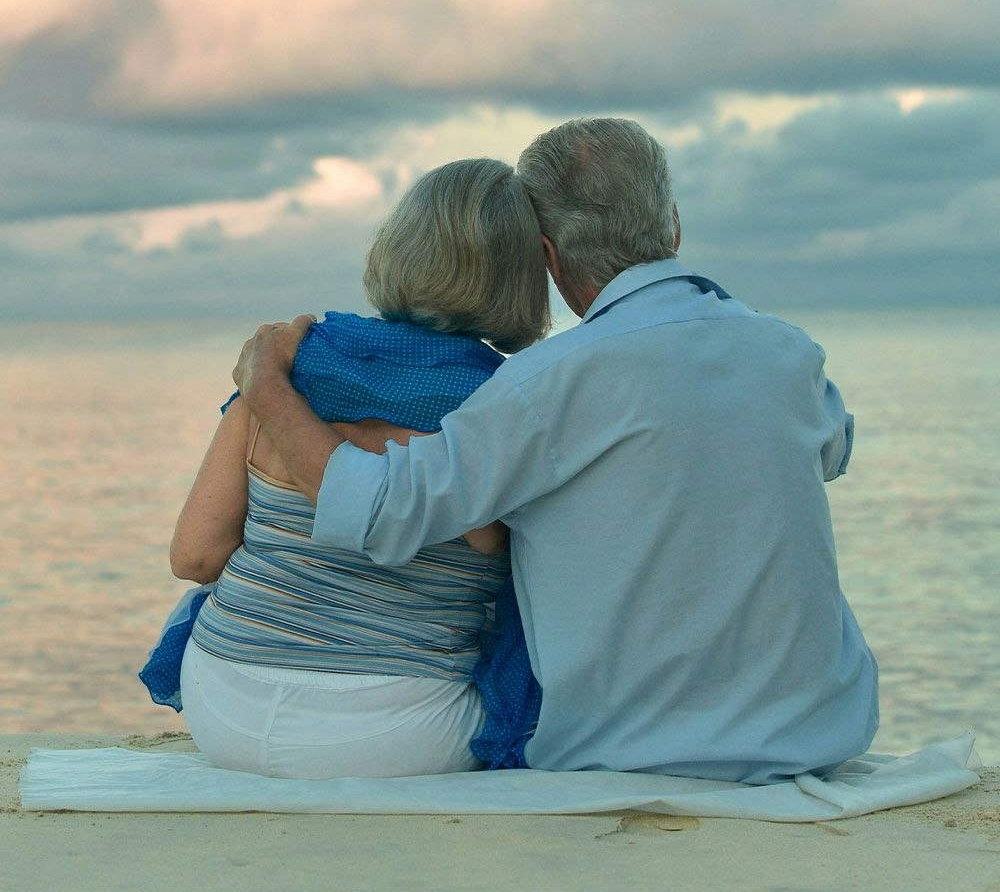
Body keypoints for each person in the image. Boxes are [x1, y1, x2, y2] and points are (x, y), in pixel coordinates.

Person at [233, 118, 879, 785]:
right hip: (819, 735)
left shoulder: (547, 382)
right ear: (675, 226)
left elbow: (380, 510)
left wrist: (268, 387)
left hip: (633, 751)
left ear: (548, 256)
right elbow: (831, 451)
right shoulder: (789, 352)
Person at [164, 157, 550, 779]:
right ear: (524, 279)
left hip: (223, 710)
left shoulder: (281, 368)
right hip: (402, 734)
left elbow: (196, 558)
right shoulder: (508, 401)